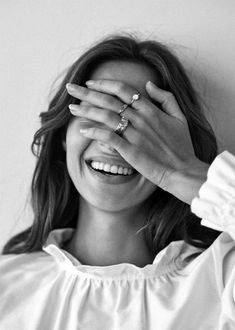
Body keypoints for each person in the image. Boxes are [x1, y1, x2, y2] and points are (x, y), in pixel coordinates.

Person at [0, 33, 234, 330]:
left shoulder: (221, 281)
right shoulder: (6, 287)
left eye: (139, 123)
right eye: (98, 113)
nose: (112, 143)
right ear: (62, 135)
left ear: (176, 142)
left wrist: (185, 172)